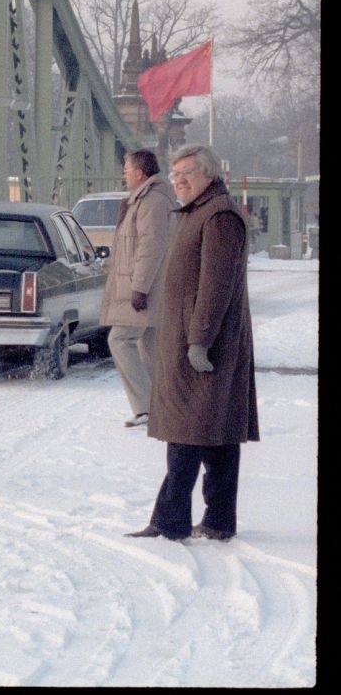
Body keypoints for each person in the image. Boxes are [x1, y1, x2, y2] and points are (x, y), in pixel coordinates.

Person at [127, 144, 258, 543]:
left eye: (188, 173)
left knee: (189, 432)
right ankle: (218, 521)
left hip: (203, 346)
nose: (179, 180)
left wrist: (198, 342)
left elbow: (214, 288)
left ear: (209, 175)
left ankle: (171, 521)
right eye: (175, 173)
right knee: (214, 433)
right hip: (194, 341)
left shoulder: (218, 218)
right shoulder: (200, 212)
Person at [99, 148, 178, 428]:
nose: (123, 175)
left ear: (140, 173)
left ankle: (145, 408)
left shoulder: (151, 202)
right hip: (150, 286)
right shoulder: (145, 200)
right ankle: (163, 406)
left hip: (146, 287)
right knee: (150, 345)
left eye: (126, 170)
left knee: (119, 340)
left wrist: (139, 287)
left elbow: (151, 247)